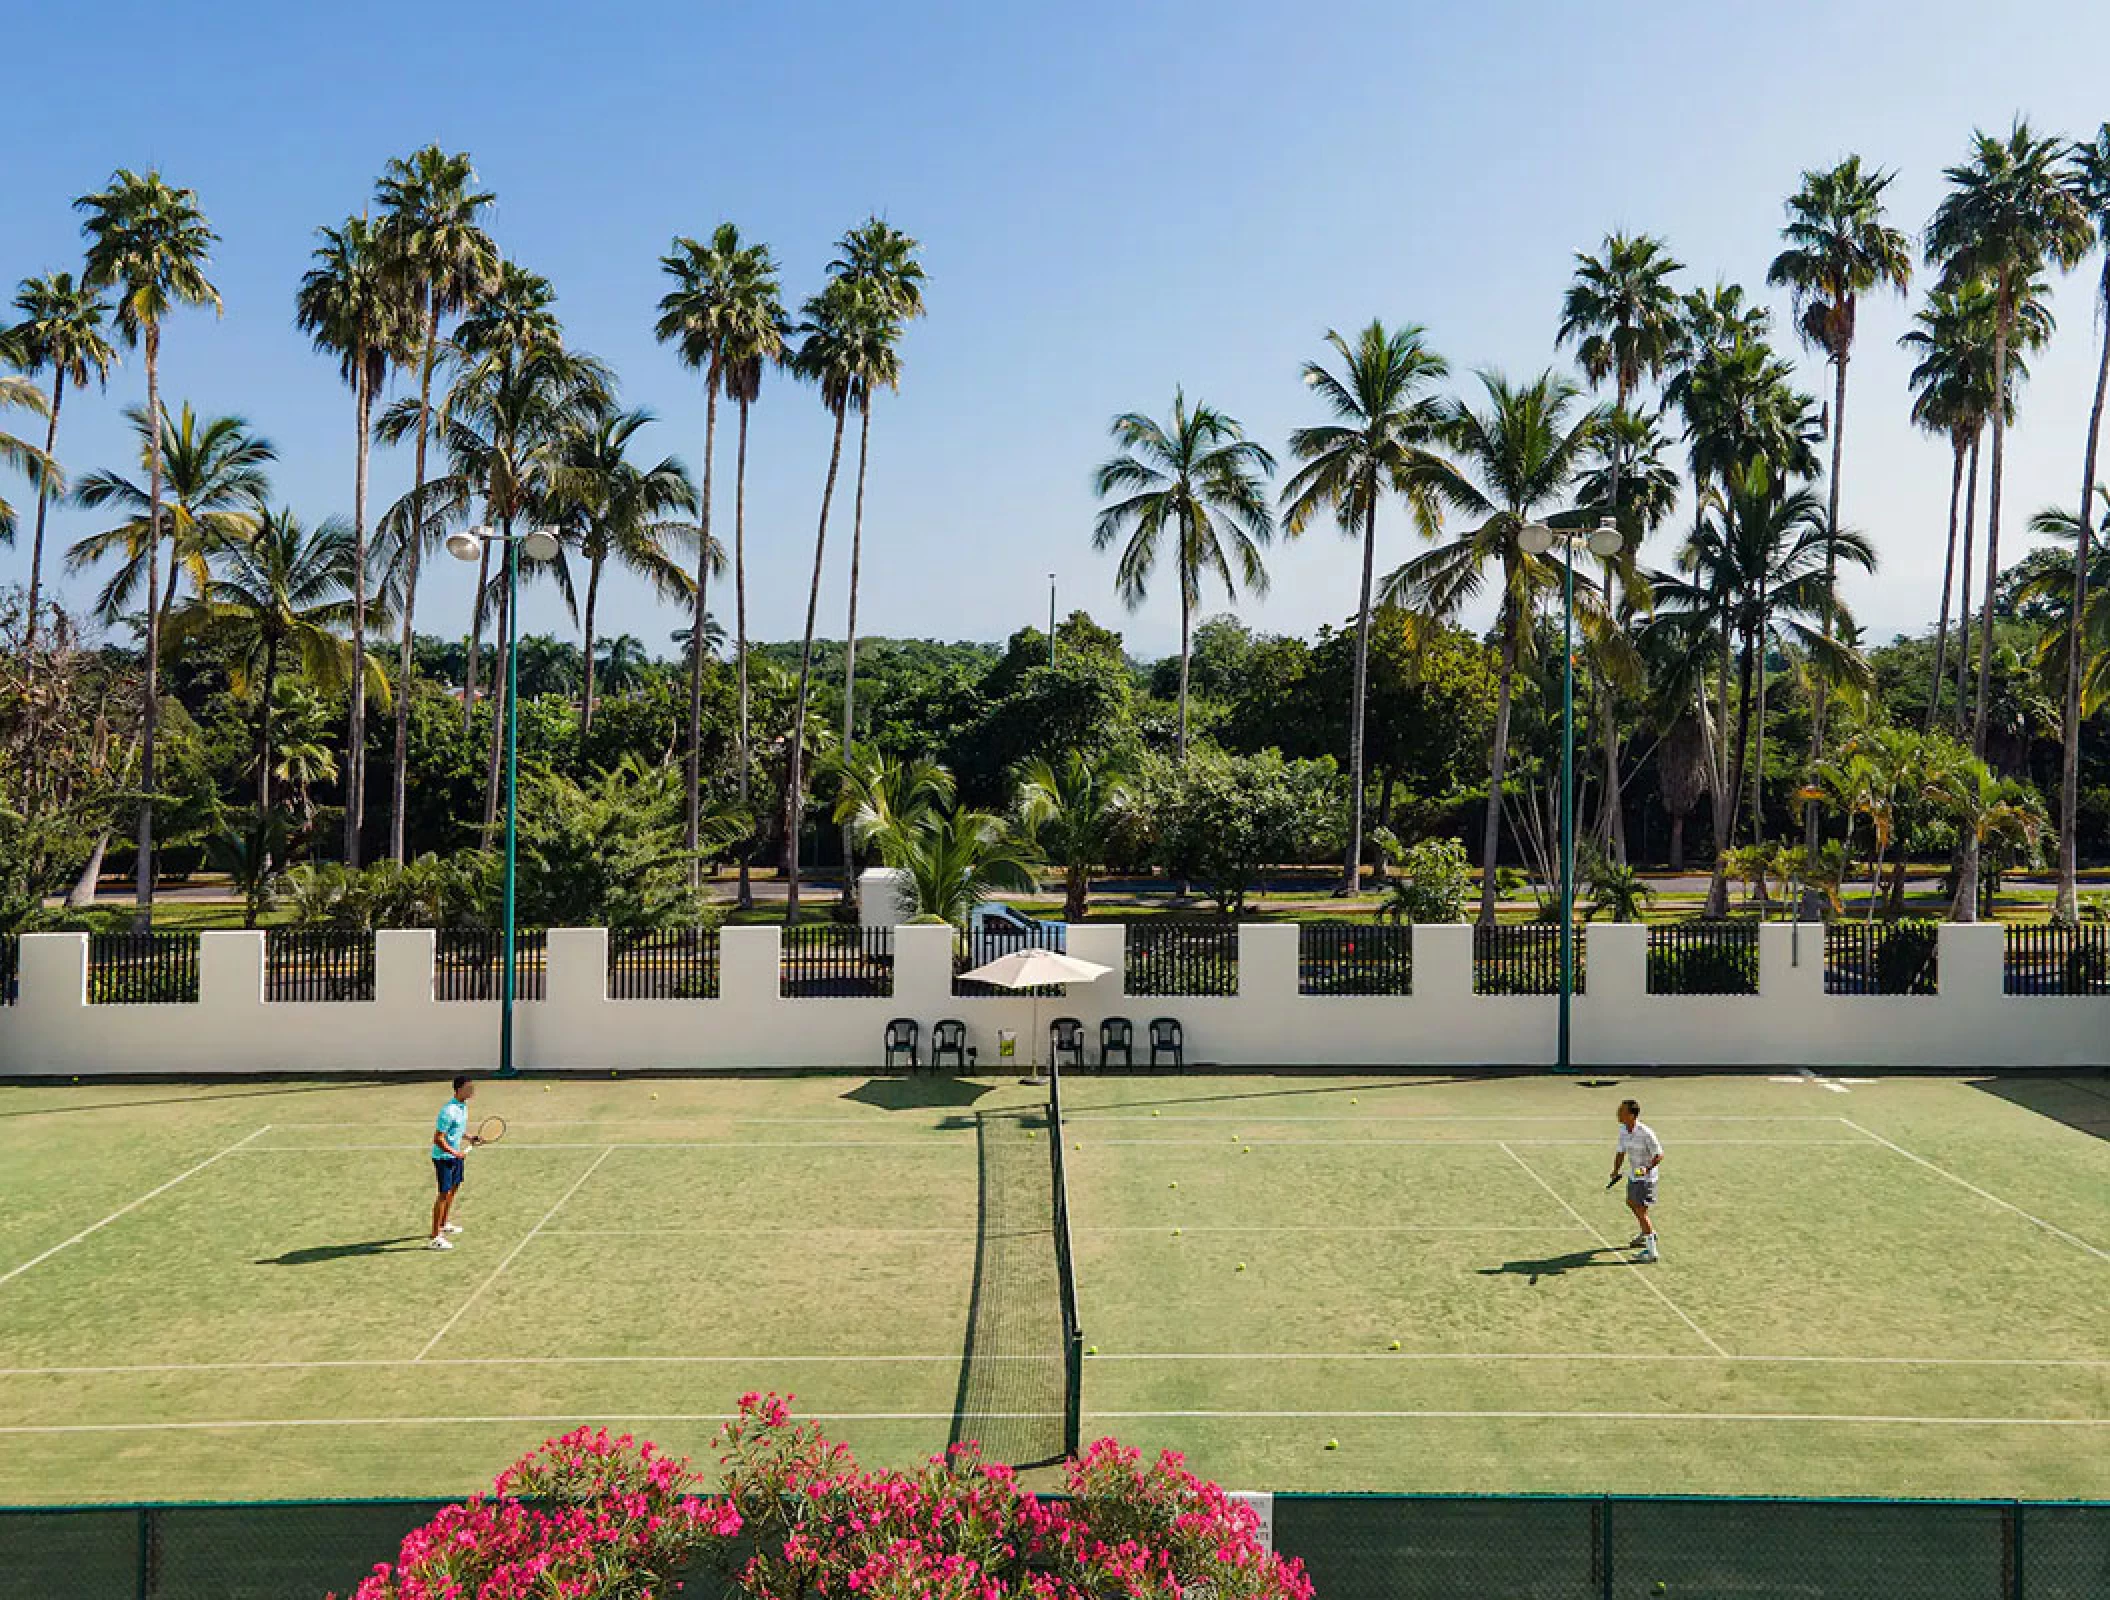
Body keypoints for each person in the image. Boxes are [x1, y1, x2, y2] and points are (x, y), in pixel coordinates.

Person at [1609, 1098, 1663, 1263]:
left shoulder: (1646, 1133)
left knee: (1640, 1210)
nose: (1618, 1113)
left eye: (1622, 1111)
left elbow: (1659, 1155)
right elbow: (1620, 1152)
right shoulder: (1623, 1130)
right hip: (1634, 1174)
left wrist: (1647, 1168)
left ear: (1632, 1115)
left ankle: (1651, 1251)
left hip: (1646, 1178)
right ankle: (1647, 1233)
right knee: (1632, 1203)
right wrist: (1616, 1171)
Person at [429, 1074, 475, 1251]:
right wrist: (455, 1153)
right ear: (459, 1089)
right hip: (443, 1158)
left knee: (453, 1190)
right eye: (469, 1088)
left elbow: (457, 1130)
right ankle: (435, 1237)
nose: (472, 1091)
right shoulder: (448, 1111)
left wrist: (470, 1137)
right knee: (443, 1194)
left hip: (454, 1157)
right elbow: (438, 1139)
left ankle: (443, 1223)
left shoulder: (463, 1107)